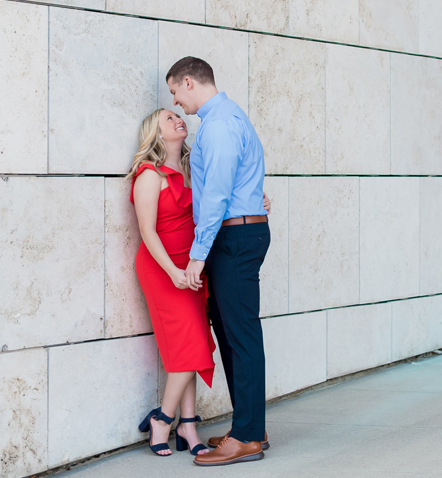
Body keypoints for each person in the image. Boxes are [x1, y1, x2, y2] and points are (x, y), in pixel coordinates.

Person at [129, 108, 271, 458]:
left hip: (192, 269)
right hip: (165, 270)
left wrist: (255, 200)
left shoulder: (195, 169)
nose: (178, 119)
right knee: (189, 344)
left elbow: (221, 199)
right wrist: (173, 272)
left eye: (178, 114)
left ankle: (188, 425)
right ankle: (162, 419)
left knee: (191, 345)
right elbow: (147, 232)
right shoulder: (149, 174)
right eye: (168, 118)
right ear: (156, 134)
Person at [166, 56, 272, 467]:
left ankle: (247, 436)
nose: (176, 102)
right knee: (233, 335)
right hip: (236, 233)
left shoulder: (221, 123)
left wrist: (197, 255)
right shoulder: (225, 119)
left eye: (176, 92)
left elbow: (217, 196)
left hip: (233, 237)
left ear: (189, 82)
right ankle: (250, 426)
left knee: (241, 336)